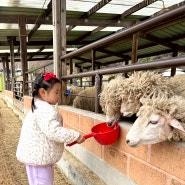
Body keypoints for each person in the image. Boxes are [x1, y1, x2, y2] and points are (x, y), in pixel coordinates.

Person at [16, 72, 85, 185]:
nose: (59, 95)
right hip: (39, 159)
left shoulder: (38, 106)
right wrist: (75, 136)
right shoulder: (45, 110)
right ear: (43, 92)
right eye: (56, 92)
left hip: (37, 157)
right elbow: (55, 131)